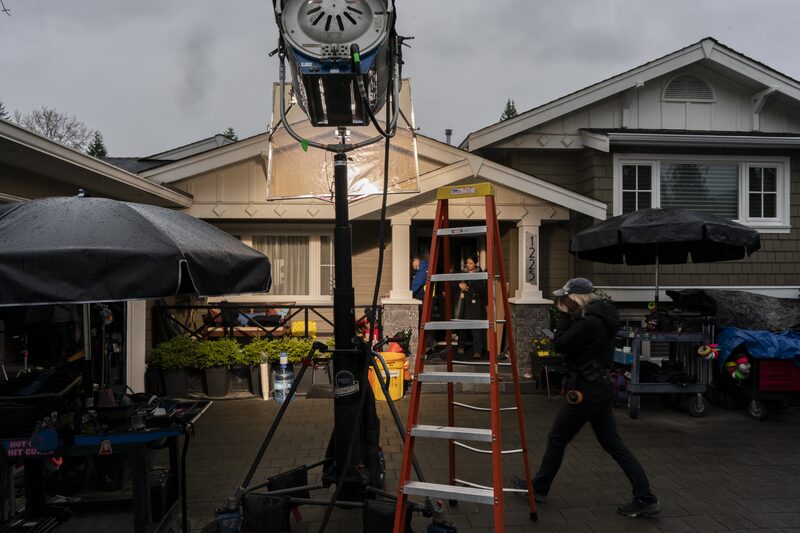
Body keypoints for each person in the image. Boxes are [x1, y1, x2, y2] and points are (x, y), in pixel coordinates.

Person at [529, 277, 661, 518]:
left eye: (566, 298)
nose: (563, 301)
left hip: (586, 391)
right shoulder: (601, 319)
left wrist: (564, 316)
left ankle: (539, 489)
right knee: (613, 444)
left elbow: (560, 344)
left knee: (557, 438)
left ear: (576, 298)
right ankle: (645, 497)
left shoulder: (588, 323)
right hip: (599, 387)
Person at [457, 254, 486, 359]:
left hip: (475, 302)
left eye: (471, 263)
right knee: (462, 326)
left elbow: (482, 288)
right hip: (464, 302)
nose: (468, 265)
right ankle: (461, 346)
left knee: (476, 327)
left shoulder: (480, 273)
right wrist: (460, 284)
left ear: (475, 263)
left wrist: (472, 278)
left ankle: (477, 350)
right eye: (467, 263)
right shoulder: (463, 272)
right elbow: (454, 283)